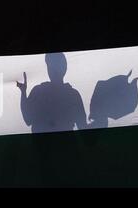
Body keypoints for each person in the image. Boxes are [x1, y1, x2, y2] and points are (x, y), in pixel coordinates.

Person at [16, 53, 87, 186]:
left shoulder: (42, 91)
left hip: (58, 155)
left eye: (52, 65)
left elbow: (27, 119)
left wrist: (24, 93)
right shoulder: (72, 94)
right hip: (54, 155)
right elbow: (84, 130)